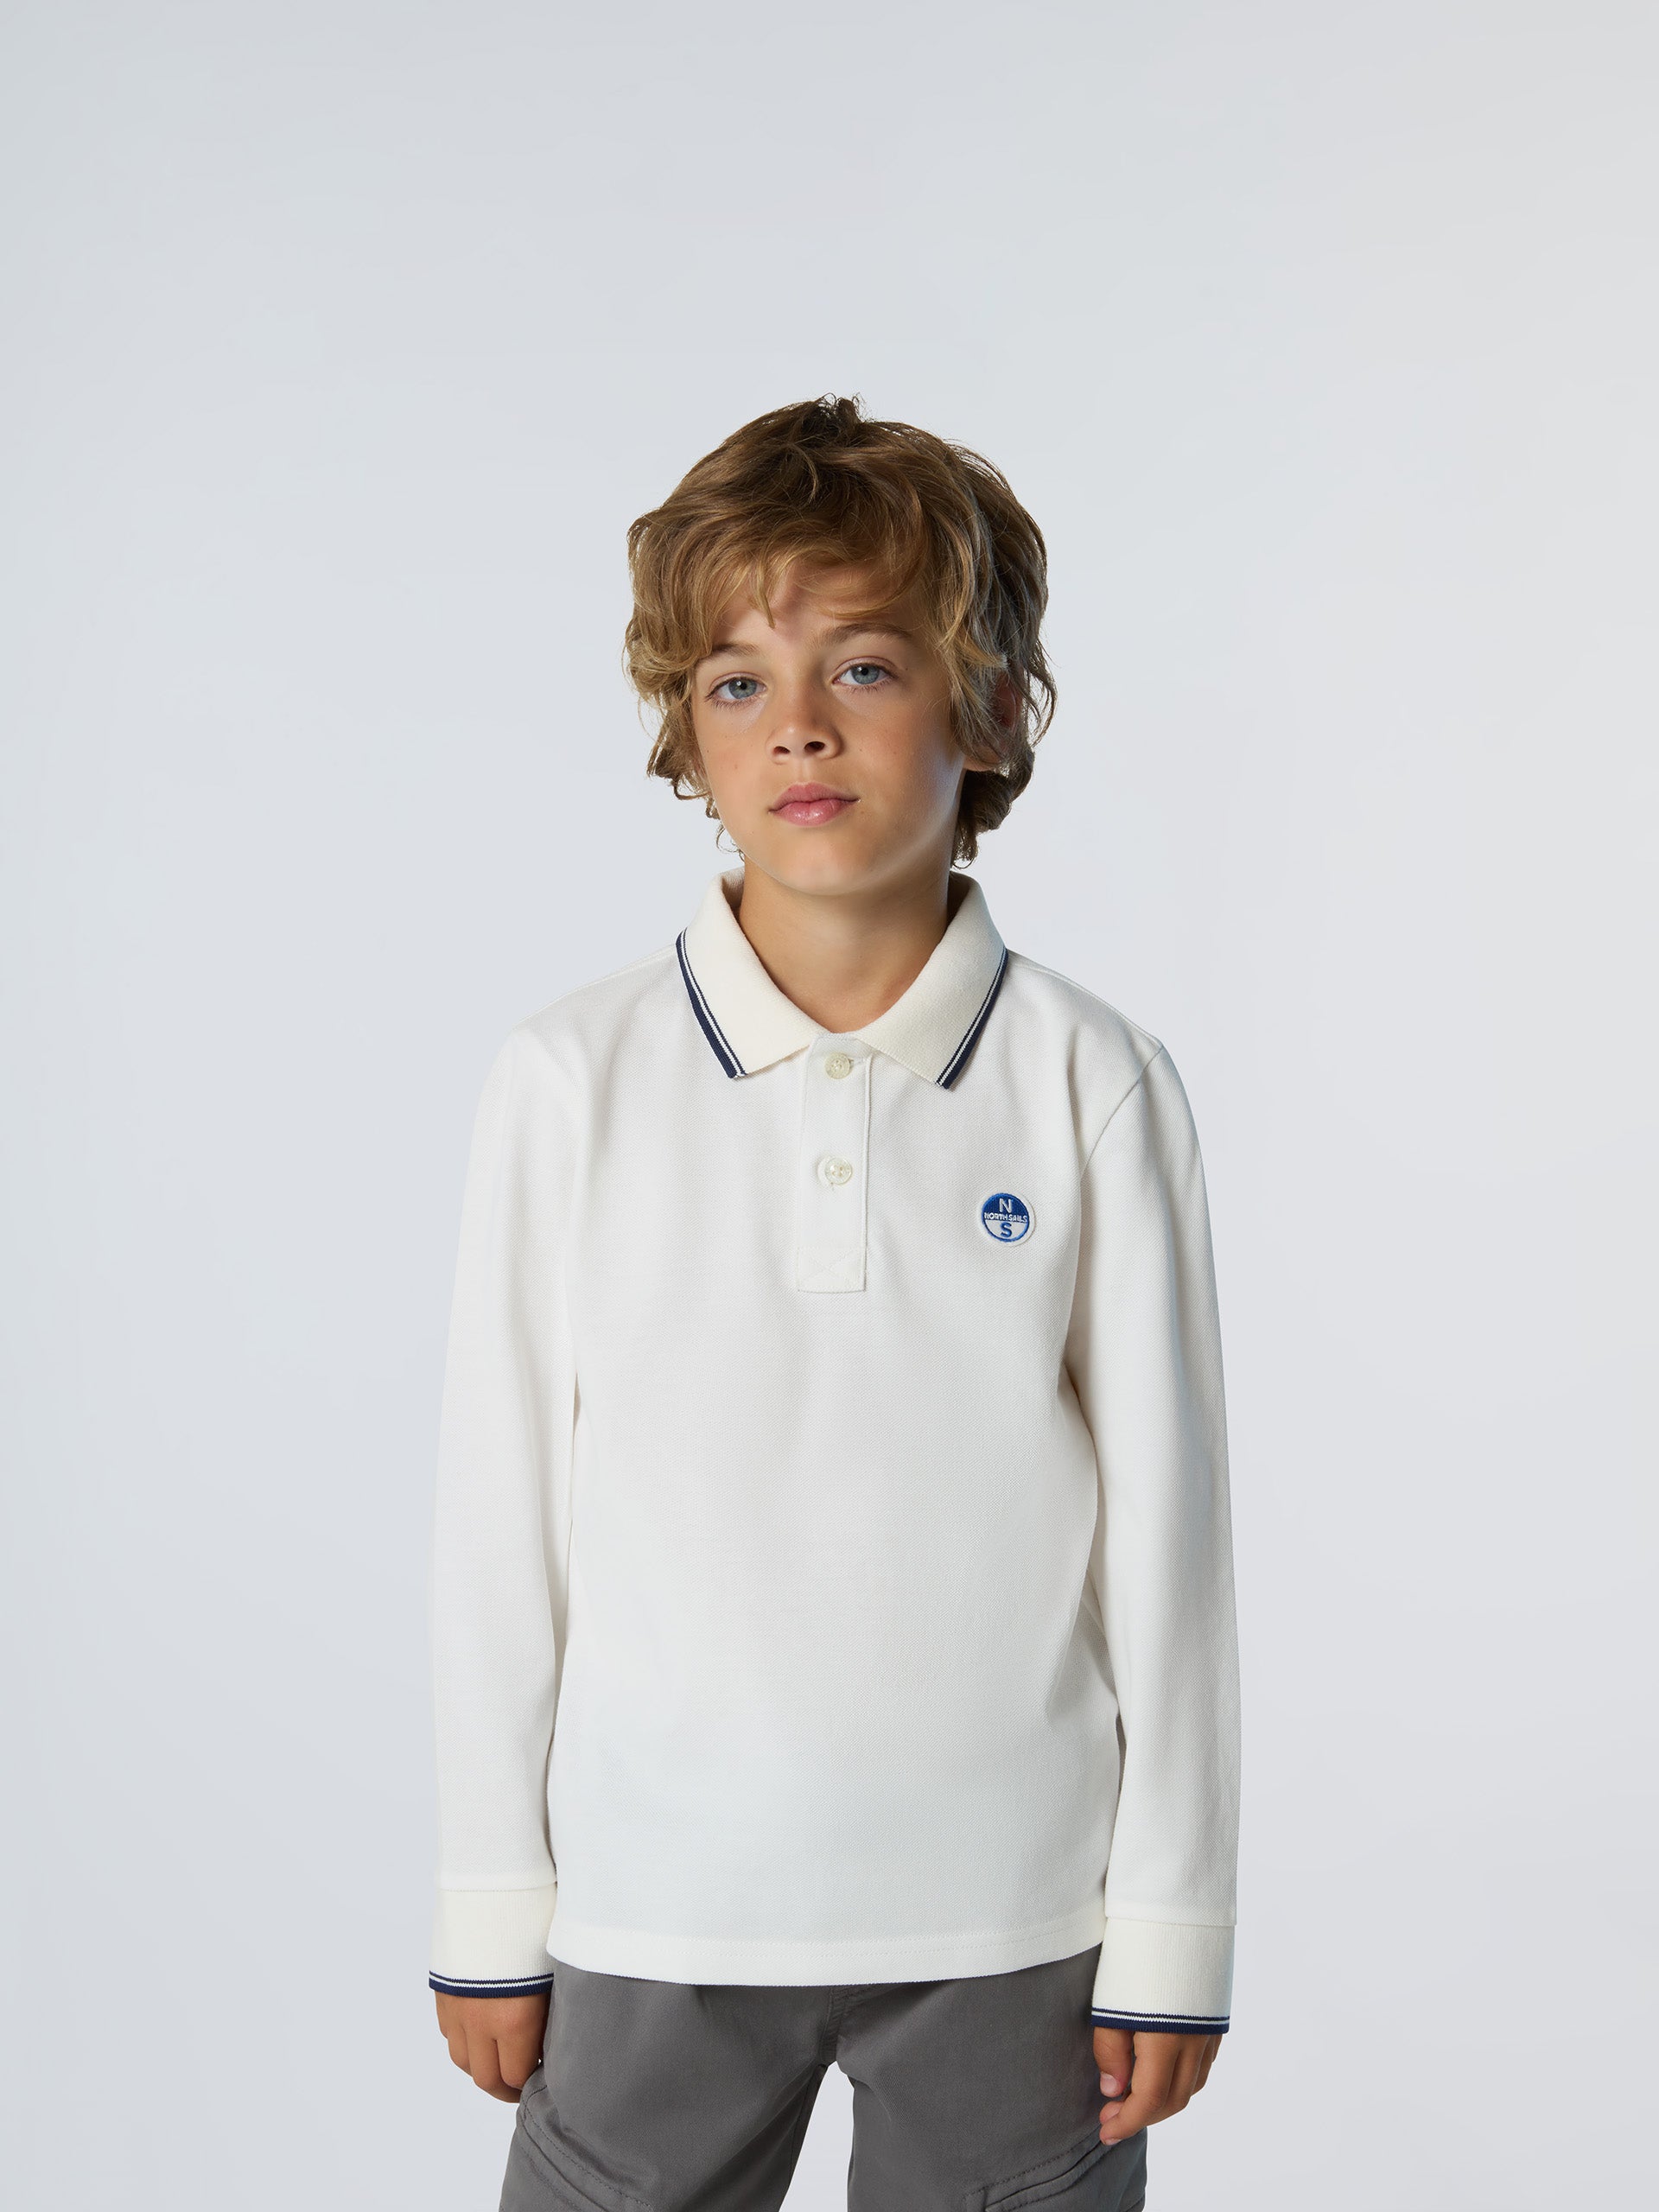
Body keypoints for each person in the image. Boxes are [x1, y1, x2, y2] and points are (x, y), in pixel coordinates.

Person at [427, 395, 1241, 2212]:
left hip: (1018, 1922)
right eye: (737, 680)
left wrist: (1175, 1924)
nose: (797, 722)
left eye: (864, 666)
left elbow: (1171, 1542)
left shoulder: (1094, 1083)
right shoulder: (571, 1079)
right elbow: (500, 1523)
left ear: (991, 710)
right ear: (686, 732)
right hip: (655, 1907)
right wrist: (490, 1903)